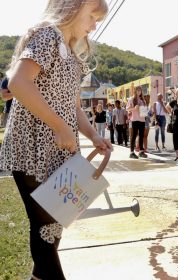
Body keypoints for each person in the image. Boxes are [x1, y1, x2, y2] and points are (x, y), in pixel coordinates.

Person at [0, 1, 110, 279]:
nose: (95, 25)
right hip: (31, 149)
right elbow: (18, 83)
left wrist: (94, 134)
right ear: (73, 7)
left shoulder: (71, 55)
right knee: (45, 231)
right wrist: (60, 127)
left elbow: (74, 107)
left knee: (54, 229)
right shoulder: (47, 35)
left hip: (59, 153)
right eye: (93, 17)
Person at [126, 86, 147, 158]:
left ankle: (141, 151)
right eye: (137, 90)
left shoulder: (143, 100)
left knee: (141, 136)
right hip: (135, 119)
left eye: (140, 90)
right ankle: (131, 152)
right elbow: (127, 108)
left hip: (142, 120)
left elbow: (144, 111)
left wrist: (145, 111)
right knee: (134, 136)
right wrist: (134, 108)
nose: (139, 92)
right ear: (135, 91)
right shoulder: (131, 99)